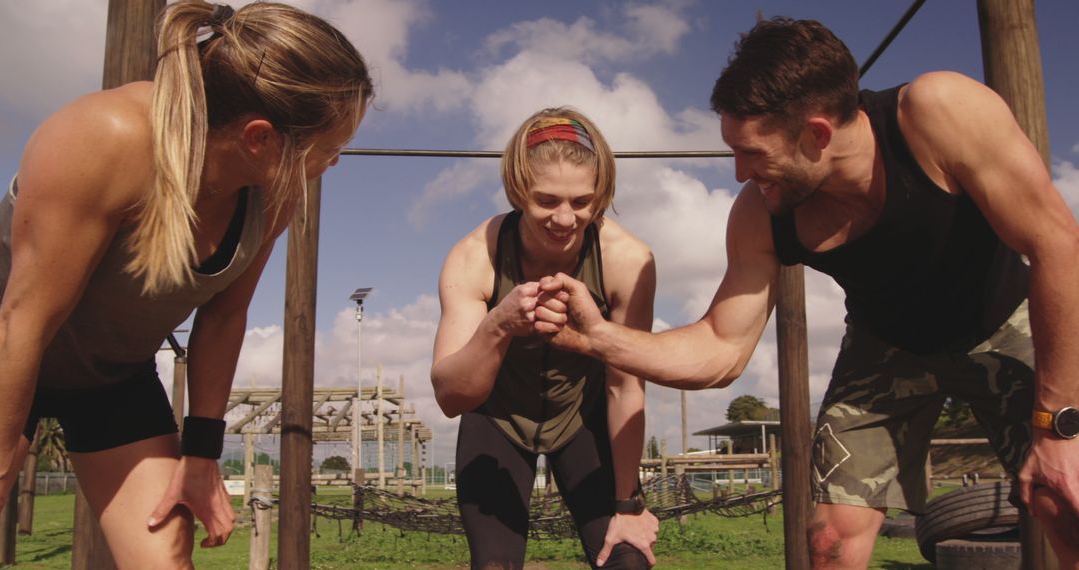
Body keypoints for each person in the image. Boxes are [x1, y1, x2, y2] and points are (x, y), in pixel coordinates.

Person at [537, 17, 1079, 569]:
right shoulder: (760, 214)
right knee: (830, 541)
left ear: (817, 134)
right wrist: (600, 338)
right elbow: (720, 348)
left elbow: (1056, 245)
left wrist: (1058, 425)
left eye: (751, 152)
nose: (739, 172)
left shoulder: (938, 114)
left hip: (1004, 320)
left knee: (1068, 502)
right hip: (885, 344)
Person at [0, 1, 373, 567]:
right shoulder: (106, 137)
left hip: (112, 377)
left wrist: (200, 457)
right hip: (10, 351)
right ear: (259, 139)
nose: (336, 163)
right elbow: (22, 320)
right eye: (329, 149)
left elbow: (224, 319)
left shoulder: (278, 194)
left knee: (165, 555)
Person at [431, 107, 659, 569]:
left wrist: (629, 505)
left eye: (581, 202)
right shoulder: (475, 255)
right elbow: (452, 395)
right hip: (497, 417)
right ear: (518, 193)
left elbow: (624, 384)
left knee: (627, 559)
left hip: (584, 416)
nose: (564, 218)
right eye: (546, 200)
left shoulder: (627, 259)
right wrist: (499, 324)